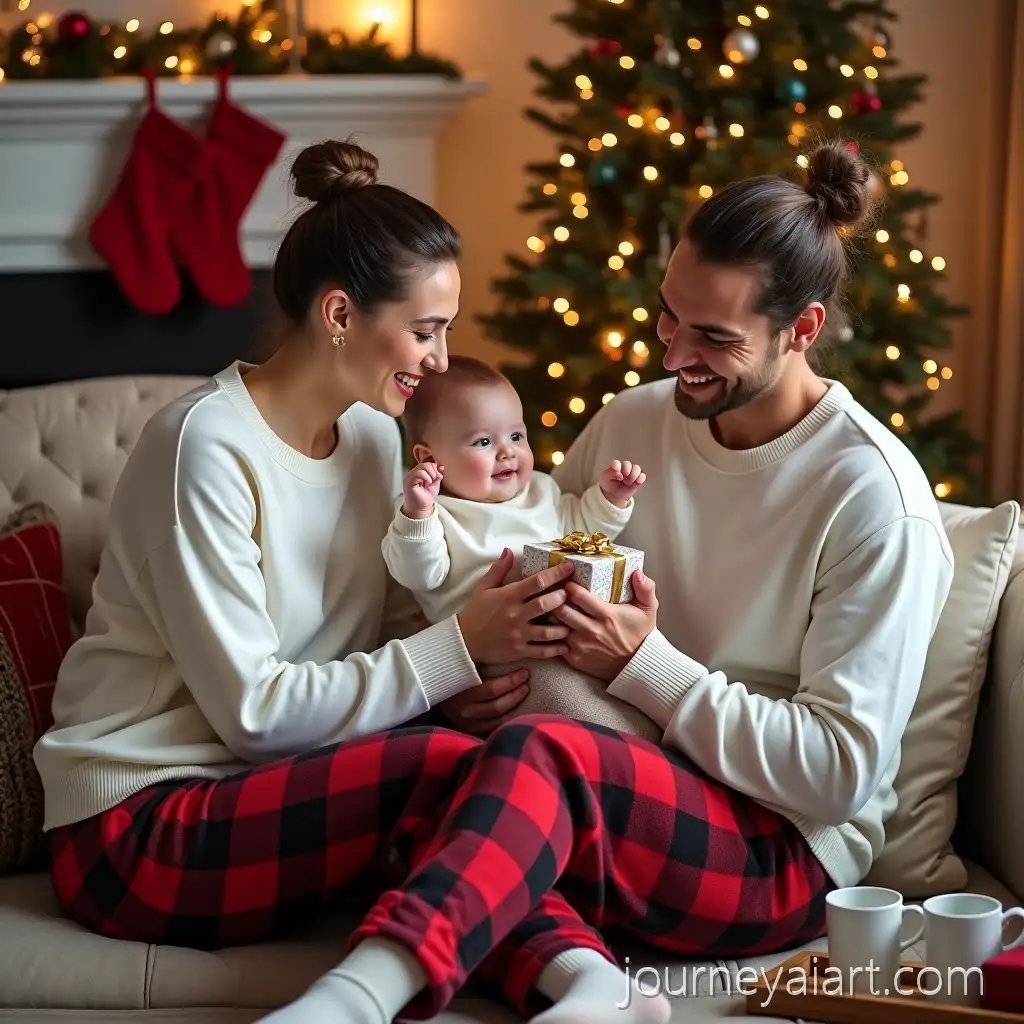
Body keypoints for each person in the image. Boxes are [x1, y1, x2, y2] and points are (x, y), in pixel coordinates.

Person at [259, 139, 954, 1020]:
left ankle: (357, 1000)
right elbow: (501, 564)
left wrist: (646, 665)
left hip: (778, 848)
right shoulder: (635, 421)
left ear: (803, 329)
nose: (673, 356)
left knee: (535, 751)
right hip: (600, 780)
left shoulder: (874, 499)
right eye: (669, 317)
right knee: (448, 762)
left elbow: (837, 776)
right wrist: (459, 685)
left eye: (713, 337)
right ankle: (593, 987)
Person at [34, 139, 669, 1024]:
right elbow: (255, 715)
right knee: (454, 771)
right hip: (140, 826)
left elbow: (383, 636)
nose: (442, 361)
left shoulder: (378, 441)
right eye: (425, 329)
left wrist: (456, 686)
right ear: (339, 313)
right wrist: (455, 653)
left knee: (479, 764)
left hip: (302, 784)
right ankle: (518, 985)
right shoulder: (203, 450)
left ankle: (581, 982)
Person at [381, 354, 660, 739]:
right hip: (494, 655)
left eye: (516, 436)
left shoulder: (540, 491)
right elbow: (418, 573)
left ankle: (648, 748)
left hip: (569, 635)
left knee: (630, 703)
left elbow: (581, 529)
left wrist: (610, 500)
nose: (508, 451)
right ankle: (620, 757)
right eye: (484, 441)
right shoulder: (434, 514)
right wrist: (417, 514)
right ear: (430, 459)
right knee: (572, 713)